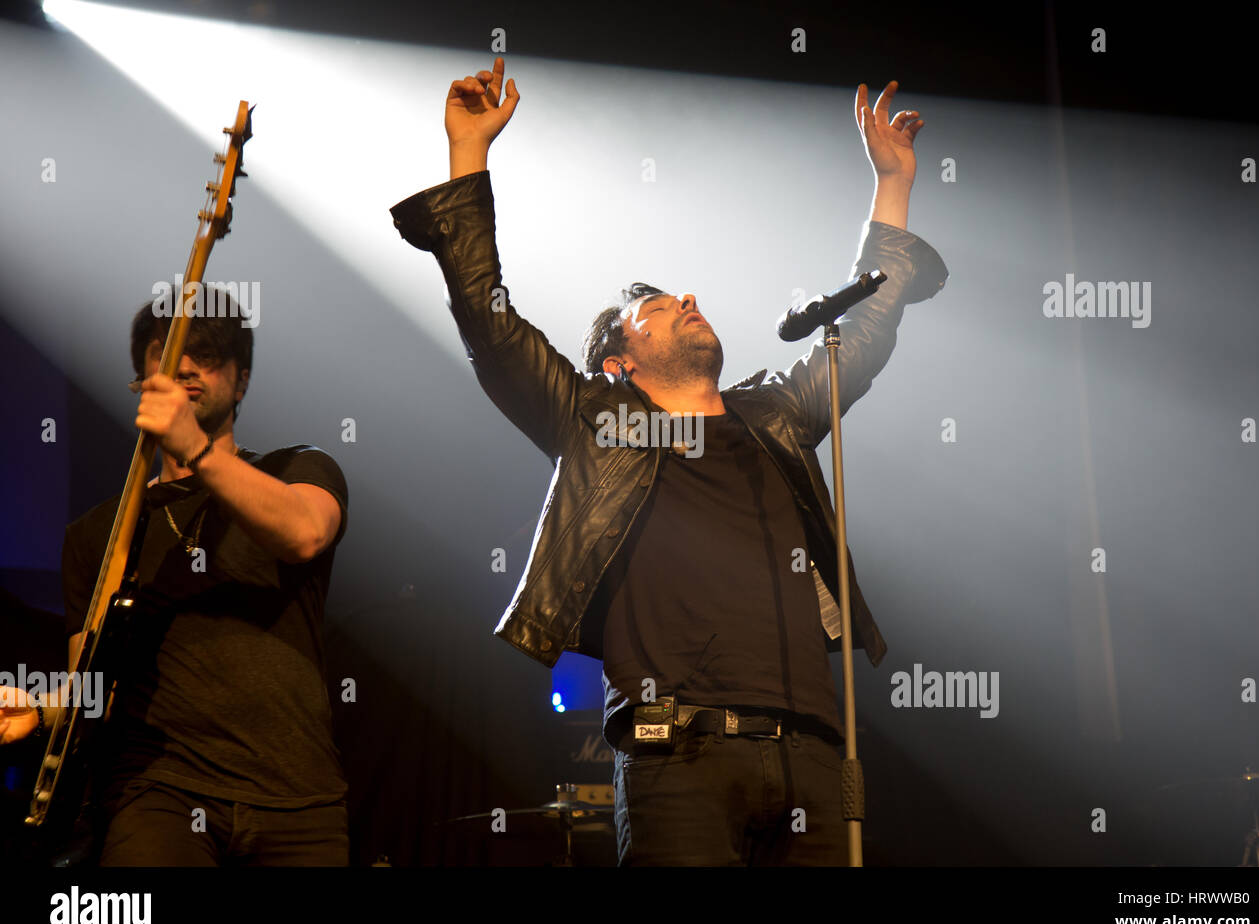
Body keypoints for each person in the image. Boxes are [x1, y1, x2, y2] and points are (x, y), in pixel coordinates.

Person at [389, 57, 947, 865]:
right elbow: (490, 323)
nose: (688, 300)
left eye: (688, 296)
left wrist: (892, 183)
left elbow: (864, 332)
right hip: (676, 758)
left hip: (813, 751)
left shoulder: (774, 419)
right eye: (657, 308)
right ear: (620, 358)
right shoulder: (597, 422)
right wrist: (469, 156)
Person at [0, 286, 350, 865]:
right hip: (157, 794)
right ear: (143, 384)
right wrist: (39, 711)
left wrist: (199, 449)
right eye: (167, 358)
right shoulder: (97, 535)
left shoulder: (299, 469)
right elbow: (95, 687)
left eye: (207, 355)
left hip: (297, 797)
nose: (185, 366)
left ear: (241, 382)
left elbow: (305, 532)